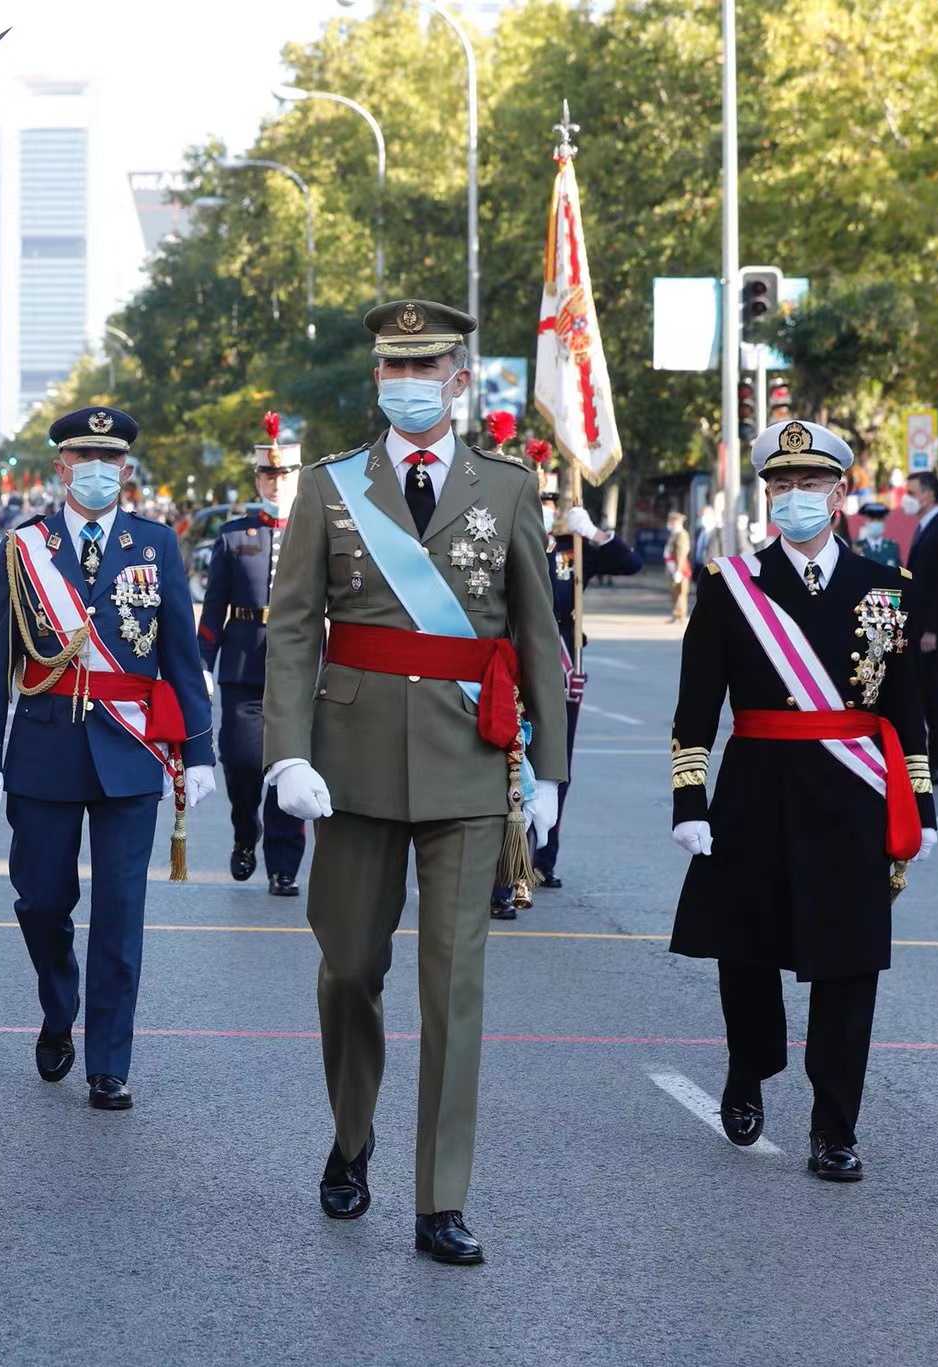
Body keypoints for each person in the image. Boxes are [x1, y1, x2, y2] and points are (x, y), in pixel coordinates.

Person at [261, 299, 567, 1264]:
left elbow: (537, 634)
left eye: (425, 367)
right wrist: (288, 752)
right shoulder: (328, 487)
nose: (407, 381)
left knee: (453, 987)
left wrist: (550, 769)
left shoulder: (508, 489)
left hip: (468, 767)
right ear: (378, 380)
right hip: (348, 766)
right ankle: (352, 1137)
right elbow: (293, 625)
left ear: (459, 381)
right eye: (393, 367)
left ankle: (441, 1197)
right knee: (350, 966)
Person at [669, 419, 937, 1182]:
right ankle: (749, 1067)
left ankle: (834, 1125)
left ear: (841, 492)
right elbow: (696, 708)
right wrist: (690, 800)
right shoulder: (732, 588)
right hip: (755, 790)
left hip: (853, 793)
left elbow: (906, 708)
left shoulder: (886, 591)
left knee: (849, 963)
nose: (795, 498)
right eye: (781, 486)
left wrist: (922, 804)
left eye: (810, 485)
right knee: (746, 948)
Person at [0, 405, 215, 1111]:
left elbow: (182, 658)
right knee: (42, 900)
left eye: (111, 460)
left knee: (122, 911)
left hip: (131, 748)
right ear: (62, 467)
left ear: (126, 471)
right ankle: (57, 1001)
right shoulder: (24, 548)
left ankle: (110, 1060)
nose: (98, 470)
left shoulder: (156, 544)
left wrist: (198, 752)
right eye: (84, 457)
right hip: (44, 743)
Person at [197, 412, 306, 896]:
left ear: (297, 477)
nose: (276, 482)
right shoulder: (233, 534)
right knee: (241, 762)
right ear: (258, 479)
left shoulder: (318, 531)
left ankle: (284, 864)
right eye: (268, 474)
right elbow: (213, 607)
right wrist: (201, 662)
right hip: (243, 665)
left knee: (291, 765)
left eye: (284, 475)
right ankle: (246, 831)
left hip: (299, 669)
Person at [522, 481, 644, 900]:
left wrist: (593, 533)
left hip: (561, 662)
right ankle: (508, 860)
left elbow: (630, 564)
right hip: (515, 659)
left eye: (550, 502)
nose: (545, 509)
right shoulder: (508, 538)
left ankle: (543, 858)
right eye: (538, 501)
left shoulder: (571, 546)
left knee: (557, 763)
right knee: (512, 763)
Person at [903, 471, 938, 785]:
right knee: (925, 698)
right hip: (920, 630)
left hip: (935, 636)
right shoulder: (926, 529)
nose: (906, 498)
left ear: (928, 495)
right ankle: (932, 762)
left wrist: (933, 630)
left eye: (910, 492)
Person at [852, 503, 901, 569]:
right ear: (866, 522)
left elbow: (899, 573)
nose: (875, 523)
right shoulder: (856, 547)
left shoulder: (892, 547)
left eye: (879, 520)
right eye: (872, 520)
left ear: (884, 523)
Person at [663, 510, 692, 622]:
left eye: (672, 521)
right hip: (672, 566)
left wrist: (679, 570)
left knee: (681, 592)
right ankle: (676, 614)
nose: (670, 523)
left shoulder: (682, 534)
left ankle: (681, 615)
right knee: (674, 592)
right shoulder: (674, 533)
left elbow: (682, 553)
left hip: (679, 567)